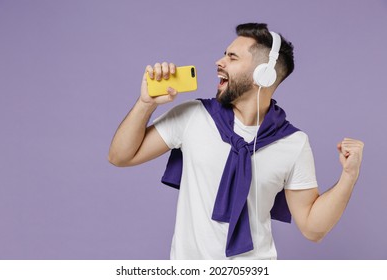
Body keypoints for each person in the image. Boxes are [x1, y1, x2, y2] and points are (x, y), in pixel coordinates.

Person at [108, 23, 364, 260]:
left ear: (263, 75)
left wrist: (349, 177)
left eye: (232, 57)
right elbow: (120, 156)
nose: (219, 62)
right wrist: (146, 104)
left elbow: (312, 228)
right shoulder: (193, 116)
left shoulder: (293, 143)